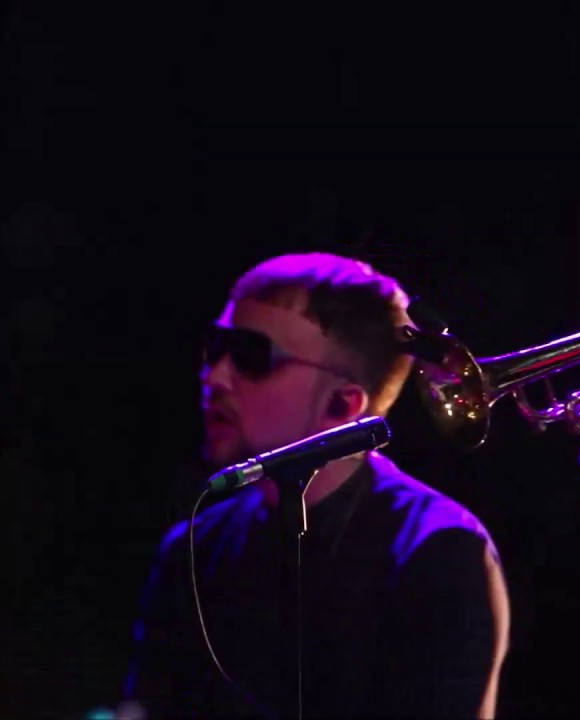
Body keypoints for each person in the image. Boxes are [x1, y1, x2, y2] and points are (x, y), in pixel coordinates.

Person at [120, 253, 510, 718]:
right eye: (215, 347)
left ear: (343, 407)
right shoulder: (195, 547)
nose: (215, 376)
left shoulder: (438, 552)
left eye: (250, 356)